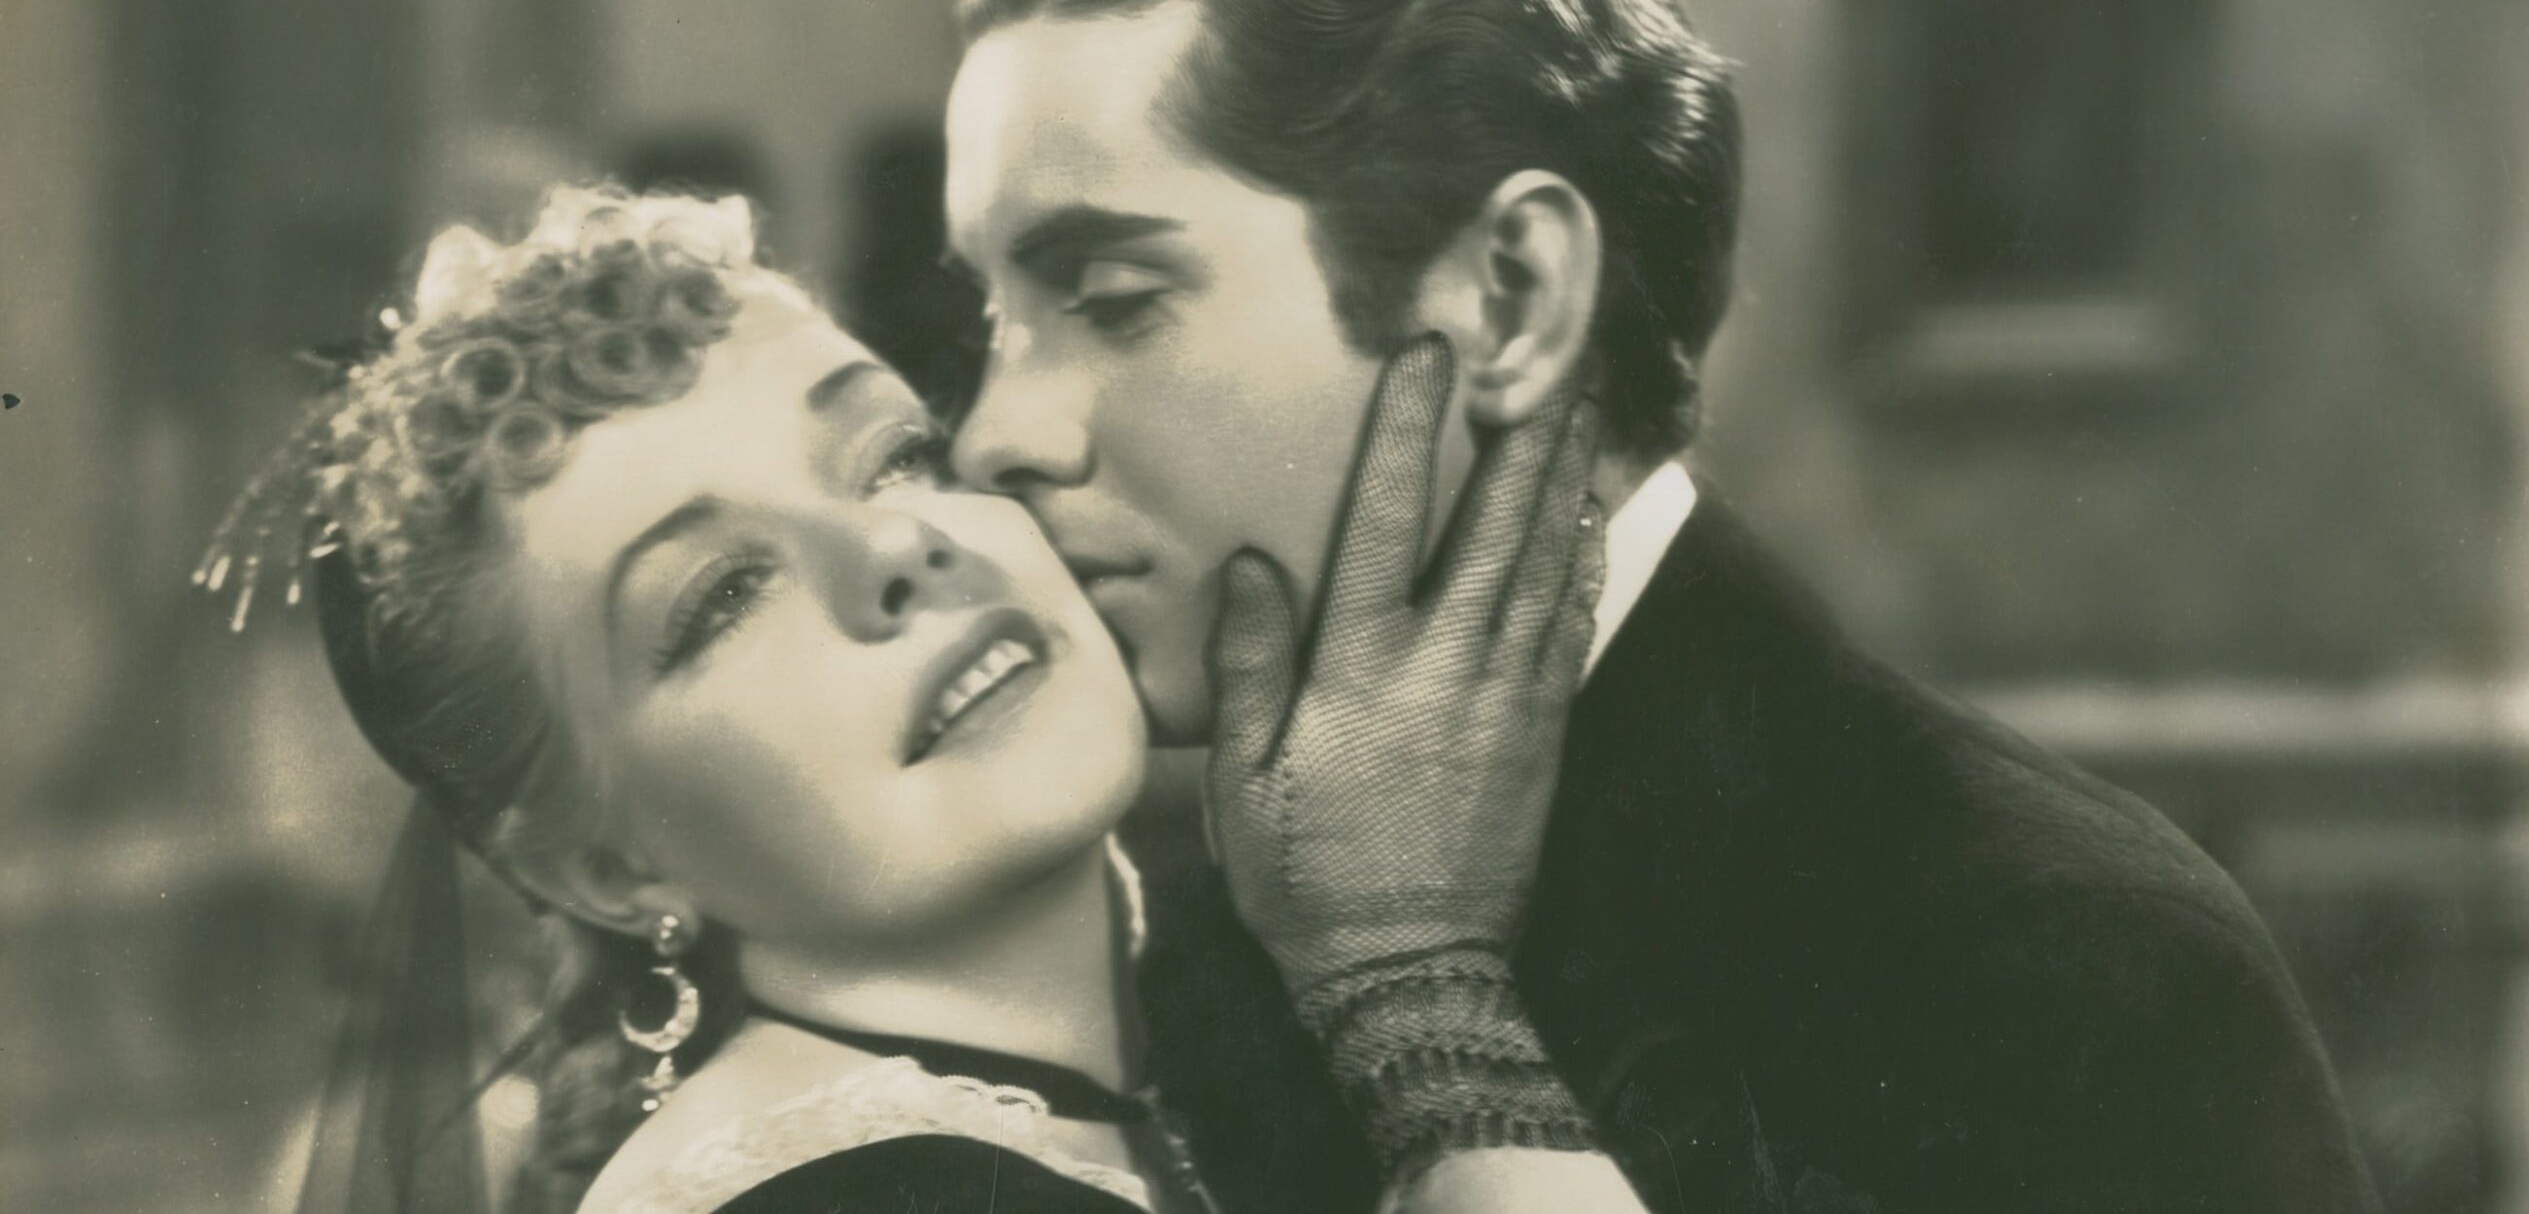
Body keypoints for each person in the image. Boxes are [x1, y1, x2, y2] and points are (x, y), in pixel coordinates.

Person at [939, 0, 2384, 1214]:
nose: (994, 436)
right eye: (994, 319)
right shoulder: (1177, 952)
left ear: (1513, 297)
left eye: (1112, 301)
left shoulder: (2064, 957)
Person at [202, 185, 1605, 1214]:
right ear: (608, 869)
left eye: (890, 457)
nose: (890, 547)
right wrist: (1419, 987)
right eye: (720, 597)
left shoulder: (1097, 1099)